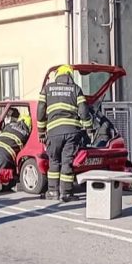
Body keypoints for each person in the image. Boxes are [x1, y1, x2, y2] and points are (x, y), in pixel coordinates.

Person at [37, 65, 92, 202]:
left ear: (57, 74)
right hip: (72, 131)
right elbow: (84, 111)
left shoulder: (48, 89)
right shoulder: (76, 89)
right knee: (67, 162)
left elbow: (40, 110)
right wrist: (89, 128)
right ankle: (66, 193)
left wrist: (41, 131)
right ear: (70, 75)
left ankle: (52, 192)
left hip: (54, 132)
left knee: (54, 162)